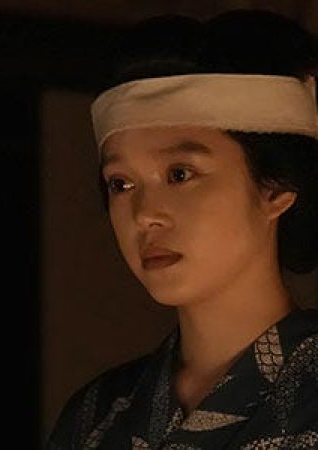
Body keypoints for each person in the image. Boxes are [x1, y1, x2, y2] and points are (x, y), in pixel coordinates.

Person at [45, 9, 318, 449]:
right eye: (121, 184)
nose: (144, 215)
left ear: (275, 189)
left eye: (180, 174)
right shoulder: (96, 415)